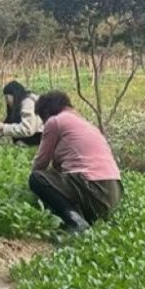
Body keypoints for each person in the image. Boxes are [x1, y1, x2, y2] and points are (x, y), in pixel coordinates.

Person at [28, 90, 123, 234]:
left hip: (93, 188)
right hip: (113, 193)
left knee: (37, 179)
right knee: (56, 178)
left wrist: (30, 188)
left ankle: (76, 222)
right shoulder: (87, 125)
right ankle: (84, 217)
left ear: (46, 113)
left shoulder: (55, 121)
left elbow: (41, 163)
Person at [0, 81, 43, 146]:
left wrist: (4, 127)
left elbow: (28, 129)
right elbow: (8, 123)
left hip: (40, 137)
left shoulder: (28, 103)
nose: (6, 101)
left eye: (7, 98)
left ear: (14, 95)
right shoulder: (17, 106)